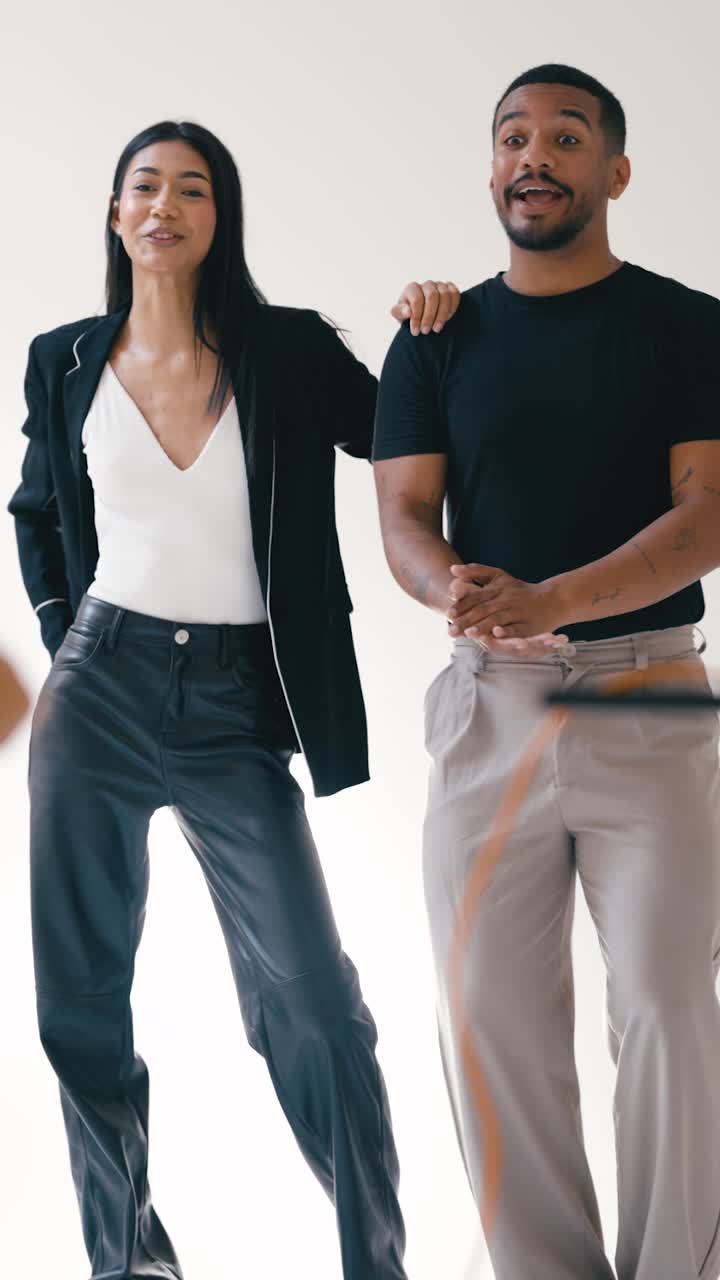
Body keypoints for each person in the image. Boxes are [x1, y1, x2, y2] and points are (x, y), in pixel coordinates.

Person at [8, 117, 461, 1280]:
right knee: (81, 1005)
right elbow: (38, 512)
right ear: (116, 212)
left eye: (192, 188)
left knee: (313, 1000)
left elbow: (406, 438)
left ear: (221, 217)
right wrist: (65, 644)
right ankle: (128, 1262)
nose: (165, 205)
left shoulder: (287, 350)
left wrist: (436, 334)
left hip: (235, 706)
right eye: (145, 186)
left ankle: (375, 1261)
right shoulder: (63, 358)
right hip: (95, 698)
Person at [373, 62, 720, 1280]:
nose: (535, 156)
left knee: (668, 1009)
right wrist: (454, 592)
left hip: (647, 699)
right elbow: (405, 516)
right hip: (491, 709)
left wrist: (554, 599)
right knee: (488, 1018)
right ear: (491, 171)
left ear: (614, 172)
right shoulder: (435, 336)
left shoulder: (688, 325)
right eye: (513, 136)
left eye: (566, 137)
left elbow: (706, 517)